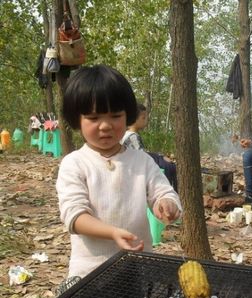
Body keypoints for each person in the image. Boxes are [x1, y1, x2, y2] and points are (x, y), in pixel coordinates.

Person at [56, 65, 182, 278]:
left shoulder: (141, 161)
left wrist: (166, 205)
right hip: (89, 271)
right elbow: (75, 217)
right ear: (77, 119)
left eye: (115, 116)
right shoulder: (75, 163)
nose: (105, 125)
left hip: (137, 266)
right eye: (94, 118)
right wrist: (112, 233)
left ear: (128, 116)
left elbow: (163, 192)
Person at [121, 103, 178, 191]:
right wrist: (160, 158)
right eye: (143, 118)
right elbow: (142, 157)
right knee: (169, 167)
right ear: (134, 119)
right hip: (135, 175)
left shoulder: (125, 135)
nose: (146, 120)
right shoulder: (132, 137)